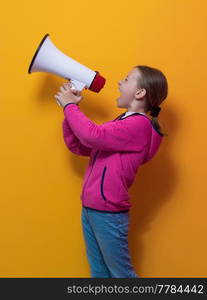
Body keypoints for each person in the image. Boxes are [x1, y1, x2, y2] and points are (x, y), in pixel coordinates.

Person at [54, 65, 168, 278]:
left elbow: (92, 135)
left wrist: (71, 106)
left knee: (121, 275)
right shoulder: (122, 122)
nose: (119, 82)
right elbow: (81, 145)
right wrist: (67, 111)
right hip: (91, 208)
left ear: (140, 92)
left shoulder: (139, 125)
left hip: (108, 212)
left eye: (126, 79)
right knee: (99, 273)